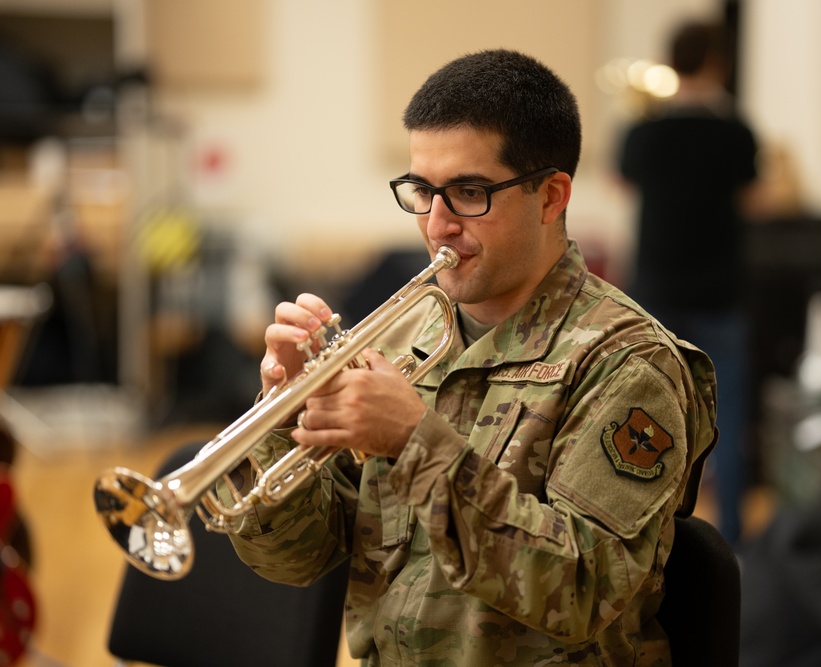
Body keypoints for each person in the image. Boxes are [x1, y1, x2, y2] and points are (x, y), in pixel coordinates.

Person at [225, 49, 717, 665]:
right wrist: (281, 414)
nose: (437, 224)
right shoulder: (408, 336)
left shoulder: (628, 364)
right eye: (422, 191)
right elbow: (296, 559)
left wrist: (412, 439)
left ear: (551, 196)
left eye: (468, 192)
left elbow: (581, 589)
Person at [617, 20, 760, 545]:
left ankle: (651, 537)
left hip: (655, 293)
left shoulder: (643, 130)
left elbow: (622, 182)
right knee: (731, 419)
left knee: (648, 415)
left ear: (671, 61)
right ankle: (735, 543)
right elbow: (754, 200)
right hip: (720, 292)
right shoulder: (736, 131)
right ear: (718, 64)